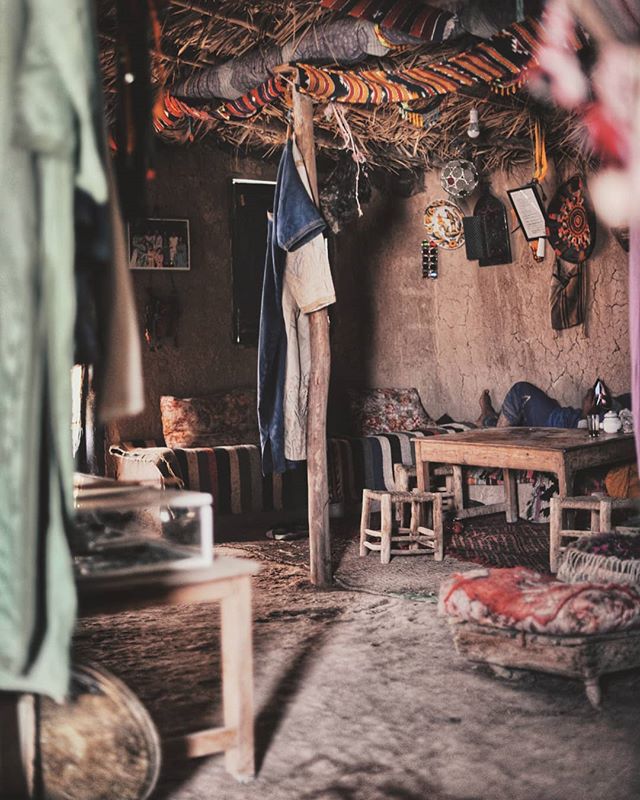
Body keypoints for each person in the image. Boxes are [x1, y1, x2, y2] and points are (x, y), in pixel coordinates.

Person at [476, 381, 631, 429]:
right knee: (521, 424)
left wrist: (588, 414)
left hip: (560, 425)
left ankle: (494, 432)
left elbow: (592, 432)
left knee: (521, 391)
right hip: (566, 417)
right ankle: (488, 419)